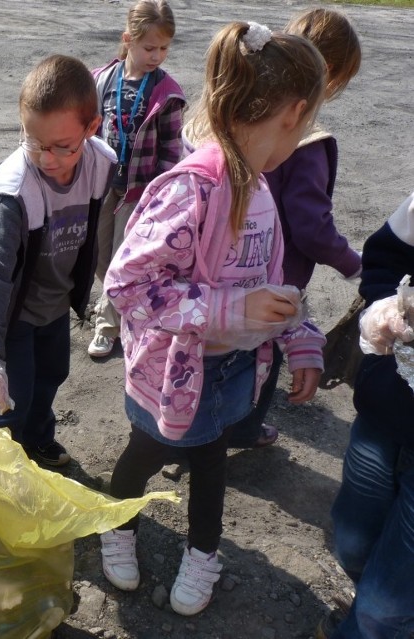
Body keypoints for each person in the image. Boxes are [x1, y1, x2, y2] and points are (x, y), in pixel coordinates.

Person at [99, 22, 327, 615]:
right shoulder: (191, 191)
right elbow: (128, 285)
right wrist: (228, 308)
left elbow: (274, 283)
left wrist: (299, 336)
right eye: (307, 125)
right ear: (294, 113)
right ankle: (115, 522)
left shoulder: (262, 188)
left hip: (227, 374)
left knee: (210, 458)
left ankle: (203, 552)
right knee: (145, 453)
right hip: (171, 374)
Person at [187, 8, 363, 449]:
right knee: (258, 356)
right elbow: (310, 224)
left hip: (217, 271)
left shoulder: (230, 112)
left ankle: (194, 432)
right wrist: (351, 263)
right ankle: (239, 429)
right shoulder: (304, 140)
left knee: (212, 353)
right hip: (272, 271)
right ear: (332, 75)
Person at [0, 55, 117, 467]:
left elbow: (104, 234)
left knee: (51, 376)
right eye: (33, 142)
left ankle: (35, 440)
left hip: (54, 304)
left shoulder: (101, 167)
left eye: (62, 147)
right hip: (15, 313)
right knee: (10, 394)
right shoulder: (13, 195)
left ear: (91, 128)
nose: (47, 158)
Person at [316, 190, 414, 638]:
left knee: (381, 607)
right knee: (352, 542)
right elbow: (386, 257)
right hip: (388, 409)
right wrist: (385, 308)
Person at [87, 0, 186, 358]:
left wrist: (158, 198)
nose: (157, 55)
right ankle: (126, 299)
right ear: (128, 39)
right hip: (102, 186)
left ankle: (107, 325)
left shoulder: (167, 94)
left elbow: (171, 153)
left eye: (163, 48)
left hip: (139, 192)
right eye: (149, 48)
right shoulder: (100, 80)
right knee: (97, 254)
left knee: (119, 258)